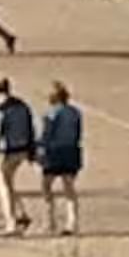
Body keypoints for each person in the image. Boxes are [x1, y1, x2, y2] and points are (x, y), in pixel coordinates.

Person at [0, 78, 36, 238]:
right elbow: (30, 127)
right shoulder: (22, 105)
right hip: (22, 150)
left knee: (3, 186)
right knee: (9, 181)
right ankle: (22, 214)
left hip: (6, 151)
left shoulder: (1, 110)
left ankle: (11, 223)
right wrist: (31, 150)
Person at [39, 81, 84, 237]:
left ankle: (50, 220)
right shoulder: (75, 112)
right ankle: (72, 222)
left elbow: (47, 134)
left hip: (54, 153)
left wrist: (40, 150)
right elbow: (79, 133)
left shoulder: (51, 114)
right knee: (69, 188)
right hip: (71, 151)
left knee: (46, 186)